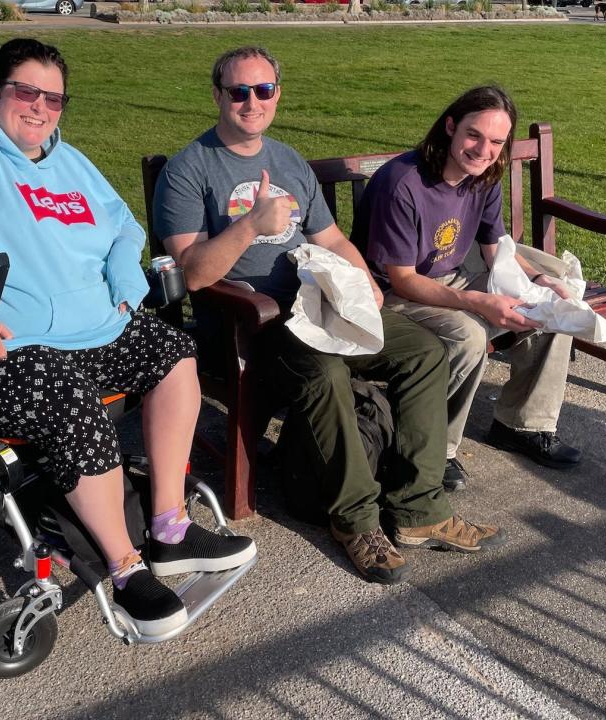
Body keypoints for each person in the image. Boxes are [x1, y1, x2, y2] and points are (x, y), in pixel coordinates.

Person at [0, 38, 255, 636]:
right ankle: (125, 570)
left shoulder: (66, 160)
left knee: (173, 352)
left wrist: (125, 270)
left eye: (55, 98)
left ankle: (170, 531)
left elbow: (123, 225)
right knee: (65, 396)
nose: (41, 108)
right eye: (26, 91)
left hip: (86, 329)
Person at [152, 46, 506, 586]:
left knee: (424, 352)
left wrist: (363, 281)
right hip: (252, 324)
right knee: (326, 373)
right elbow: (193, 273)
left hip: (320, 305)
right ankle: (357, 521)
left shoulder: (288, 160)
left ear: (278, 94)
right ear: (218, 95)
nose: (252, 102)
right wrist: (250, 225)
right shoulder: (189, 168)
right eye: (238, 91)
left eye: (263, 90)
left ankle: (418, 510)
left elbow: (332, 237)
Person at [353, 85, 583, 489]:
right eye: (474, 135)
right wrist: (476, 301)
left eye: (496, 141)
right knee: (469, 335)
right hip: (388, 289)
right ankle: (435, 450)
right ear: (450, 127)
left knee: (553, 304)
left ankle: (522, 425)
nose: (483, 149)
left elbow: (495, 250)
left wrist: (542, 281)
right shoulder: (402, 183)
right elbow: (404, 279)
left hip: (452, 274)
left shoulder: (485, 177)